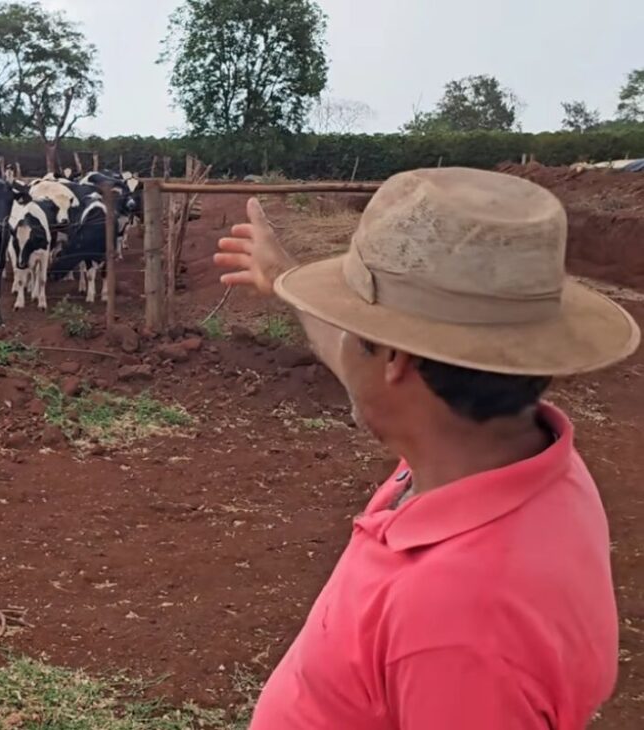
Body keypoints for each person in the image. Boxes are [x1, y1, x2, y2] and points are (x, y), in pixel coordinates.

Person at [213, 168, 640, 729]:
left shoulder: (461, 624)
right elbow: (363, 367)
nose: (342, 345)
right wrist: (285, 278)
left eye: (351, 326)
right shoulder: (514, 459)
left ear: (397, 359)